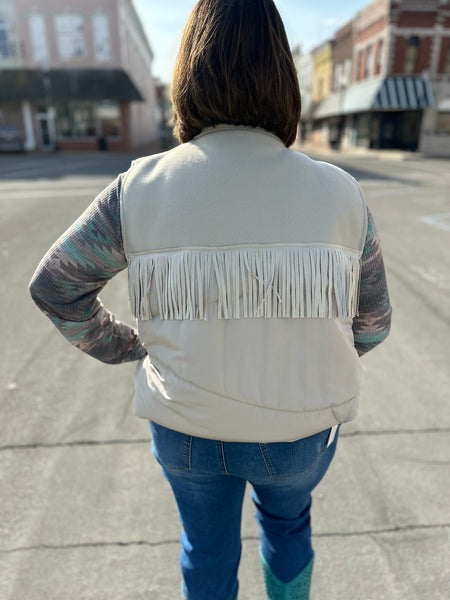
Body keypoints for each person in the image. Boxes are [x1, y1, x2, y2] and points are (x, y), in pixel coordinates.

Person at [29, 1, 392, 598]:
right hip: (300, 432)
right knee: (288, 522)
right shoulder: (341, 193)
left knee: (206, 544)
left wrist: (127, 348)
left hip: (186, 424)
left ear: (187, 76)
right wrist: (310, 353)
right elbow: (372, 326)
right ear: (284, 79)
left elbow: (56, 287)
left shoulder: (139, 189)